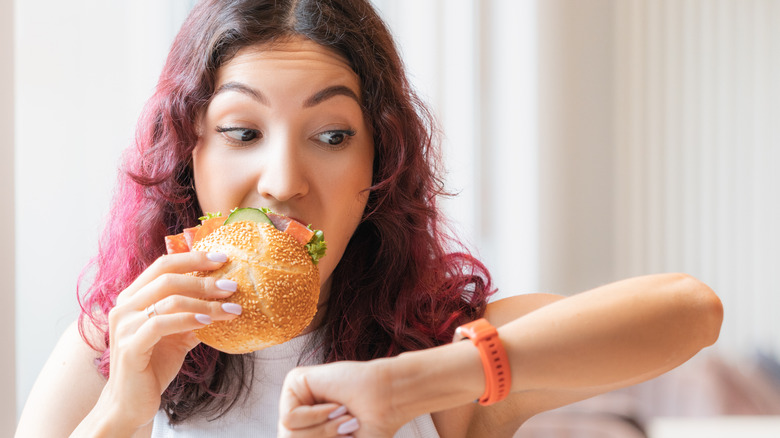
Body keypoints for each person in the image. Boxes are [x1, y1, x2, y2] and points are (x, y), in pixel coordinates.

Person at [15, 0, 723, 437]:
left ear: (377, 168)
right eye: (241, 132)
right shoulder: (113, 347)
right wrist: (120, 415)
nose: (284, 182)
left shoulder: (434, 350)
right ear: (189, 154)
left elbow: (690, 312)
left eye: (331, 136)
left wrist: (413, 384)